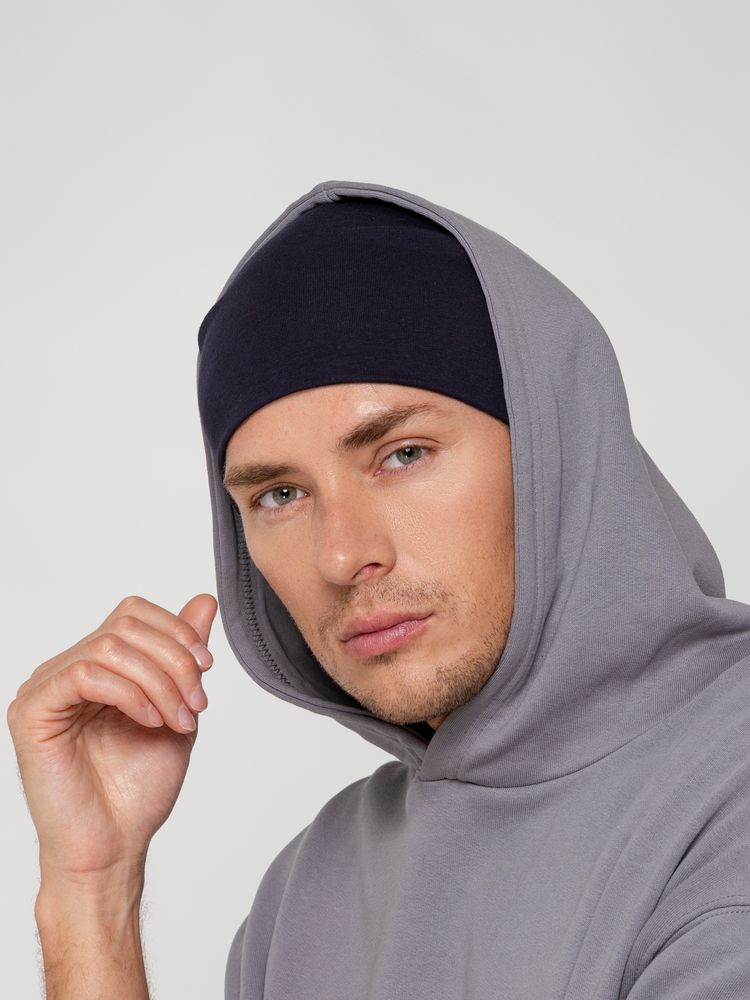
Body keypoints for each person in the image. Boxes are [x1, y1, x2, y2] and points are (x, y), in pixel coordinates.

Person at [8, 179, 750, 1000]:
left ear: (557, 444)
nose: (341, 554)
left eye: (402, 454)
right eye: (279, 495)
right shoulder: (309, 894)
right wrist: (92, 892)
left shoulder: (725, 792)